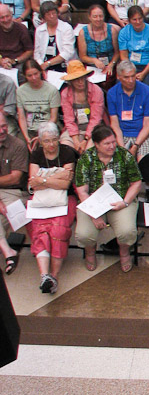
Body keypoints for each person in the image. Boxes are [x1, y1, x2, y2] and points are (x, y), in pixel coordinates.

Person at [75, 123, 141, 272]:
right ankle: (90, 252)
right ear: (97, 145)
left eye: (113, 142)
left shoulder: (124, 155)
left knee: (127, 231)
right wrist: (93, 214)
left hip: (120, 200)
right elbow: (82, 191)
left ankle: (124, 252)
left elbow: (136, 182)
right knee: (84, 234)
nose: (112, 146)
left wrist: (124, 203)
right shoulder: (86, 159)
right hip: (93, 202)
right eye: (107, 144)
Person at [27, 119, 76, 294]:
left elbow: (65, 185)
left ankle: (53, 276)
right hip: (41, 201)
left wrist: (44, 178)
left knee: (58, 230)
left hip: (65, 199)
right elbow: (33, 185)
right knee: (40, 230)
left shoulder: (67, 152)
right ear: (40, 141)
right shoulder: (36, 155)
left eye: (54, 139)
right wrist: (57, 175)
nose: (51, 144)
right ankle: (44, 275)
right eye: (47, 141)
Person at [107, 59, 149, 175]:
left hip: (143, 135)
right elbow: (114, 124)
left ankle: (148, 188)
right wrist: (122, 146)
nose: (131, 80)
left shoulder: (147, 91)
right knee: (116, 161)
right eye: (126, 77)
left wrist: (135, 146)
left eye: (133, 76)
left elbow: (148, 125)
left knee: (143, 161)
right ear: (119, 77)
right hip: (122, 134)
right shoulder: (112, 93)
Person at [0, 109, 27, 273]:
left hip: (15, 193)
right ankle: (8, 252)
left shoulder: (17, 145)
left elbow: (15, 178)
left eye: (4, 126)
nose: (2, 130)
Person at [60, 58, 106, 153]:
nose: (80, 82)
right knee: (65, 147)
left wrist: (85, 140)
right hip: (74, 129)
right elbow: (69, 119)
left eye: (82, 78)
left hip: (94, 128)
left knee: (89, 150)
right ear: (71, 81)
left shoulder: (96, 91)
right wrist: (76, 140)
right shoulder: (65, 93)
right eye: (76, 79)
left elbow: (96, 119)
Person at [17, 59, 60, 150]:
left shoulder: (52, 90)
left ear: (41, 72)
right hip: (29, 129)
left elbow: (54, 117)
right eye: (29, 75)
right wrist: (27, 137)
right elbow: (21, 116)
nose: (33, 78)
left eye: (35, 74)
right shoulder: (20, 91)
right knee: (20, 146)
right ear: (25, 76)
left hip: (48, 128)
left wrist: (41, 135)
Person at [117, 6, 149, 89]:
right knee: (121, 86)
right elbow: (123, 55)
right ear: (129, 20)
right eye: (134, 19)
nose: (138, 22)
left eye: (140, 18)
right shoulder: (124, 32)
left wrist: (143, 73)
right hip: (131, 65)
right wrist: (130, 72)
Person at [77, 4, 119, 85]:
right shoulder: (83, 32)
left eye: (100, 16)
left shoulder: (112, 30)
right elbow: (82, 56)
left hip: (109, 65)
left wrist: (111, 64)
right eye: (95, 16)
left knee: (109, 81)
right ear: (89, 17)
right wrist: (94, 60)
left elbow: (117, 53)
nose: (98, 19)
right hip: (92, 67)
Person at [33, 0, 76, 70]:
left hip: (63, 65)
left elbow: (68, 52)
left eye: (54, 13)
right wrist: (41, 66)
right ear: (43, 17)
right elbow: (37, 54)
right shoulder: (39, 30)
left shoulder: (66, 28)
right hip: (44, 65)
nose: (52, 16)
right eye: (48, 14)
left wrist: (48, 63)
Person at [0, 3, 32, 69]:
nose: (6, 20)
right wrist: (1, 61)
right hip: (2, 61)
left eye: (7, 16)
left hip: (19, 61)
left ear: (12, 15)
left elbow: (29, 51)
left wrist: (14, 61)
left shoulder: (21, 28)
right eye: (2, 17)